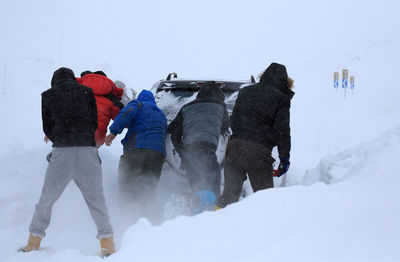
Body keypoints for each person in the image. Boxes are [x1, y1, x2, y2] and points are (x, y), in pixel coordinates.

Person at [21, 68, 115, 257]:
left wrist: (61, 138)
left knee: (47, 199)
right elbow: (93, 122)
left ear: (54, 81)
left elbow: (47, 126)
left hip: (62, 152)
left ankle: (33, 243)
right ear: (73, 78)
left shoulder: (48, 95)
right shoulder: (86, 92)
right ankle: (108, 246)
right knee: (96, 199)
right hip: (87, 150)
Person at [216, 63, 294, 209]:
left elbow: (234, 120)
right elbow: (283, 130)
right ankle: (265, 230)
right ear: (284, 82)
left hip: (234, 148)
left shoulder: (245, 91)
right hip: (258, 153)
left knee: (228, 196)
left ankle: (212, 226)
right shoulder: (281, 98)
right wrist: (284, 158)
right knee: (265, 199)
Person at [167, 81, 229, 214]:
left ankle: (196, 216)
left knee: (197, 186)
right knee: (213, 181)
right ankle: (215, 213)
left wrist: (182, 152)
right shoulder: (221, 106)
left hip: (189, 152)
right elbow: (225, 128)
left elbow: (172, 131)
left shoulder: (186, 108)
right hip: (208, 150)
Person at [105, 90, 167, 203]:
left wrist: (112, 133)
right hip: (158, 155)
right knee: (148, 188)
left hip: (137, 149)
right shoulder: (161, 113)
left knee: (127, 184)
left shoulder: (138, 104)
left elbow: (126, 114)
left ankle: (125, 213)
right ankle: (145, 214)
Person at [78, 71, 124, 148]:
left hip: (74, 131)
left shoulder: (78, 91)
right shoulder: (113, 99)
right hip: (95, 137)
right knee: (88, 157)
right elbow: (121, 119)